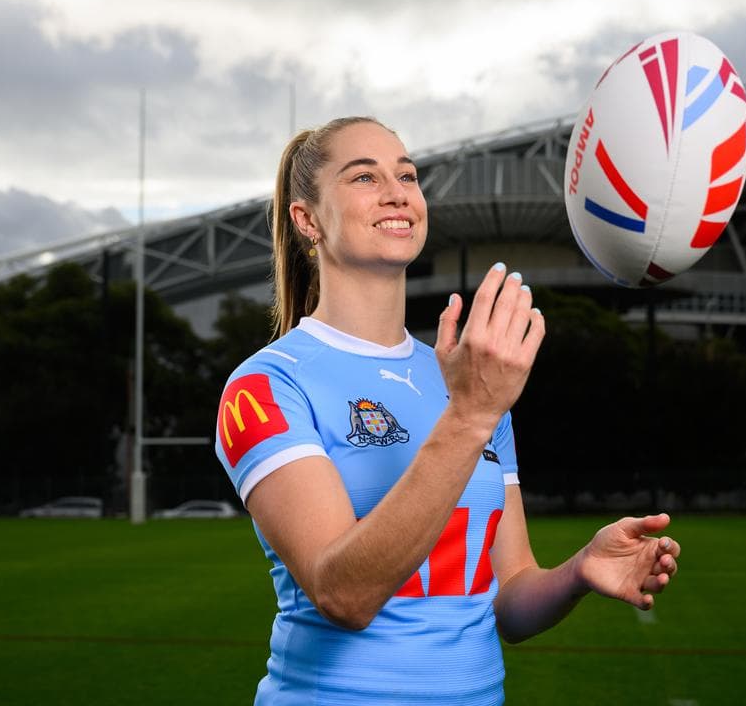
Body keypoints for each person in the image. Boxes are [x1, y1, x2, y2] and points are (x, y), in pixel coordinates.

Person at [213, 116, 680, 705]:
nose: (397, 192)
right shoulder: (268, 383)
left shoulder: (467, 381)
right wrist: (471, 415)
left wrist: (580, 570)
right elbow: (344, 594)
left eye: (407, 175)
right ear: (307, 219)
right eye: (364, 177)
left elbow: (509, 597)